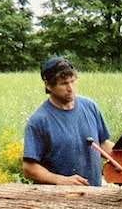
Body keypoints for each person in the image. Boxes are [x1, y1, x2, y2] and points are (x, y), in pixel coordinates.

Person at [22, 57, 114, 185]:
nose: (71, 88)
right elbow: (29, 168)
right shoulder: (39, 121)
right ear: (49, 86)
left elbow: (102, 144)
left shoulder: (90, 106)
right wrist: (61, 180)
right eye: (64, 83)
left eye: (73, 81)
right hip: (59, 200)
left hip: (94, 194)